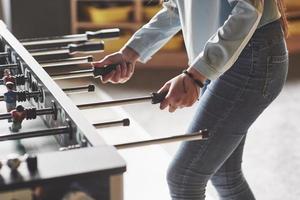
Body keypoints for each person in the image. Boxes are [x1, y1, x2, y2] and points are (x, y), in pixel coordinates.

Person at [92, 0, 289, 199]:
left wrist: (196, 75)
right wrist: (129, 53)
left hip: (251, 53)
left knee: (184, 179)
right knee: (224, 174)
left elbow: (248, 10)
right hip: (223, 50)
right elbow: (177, 9)